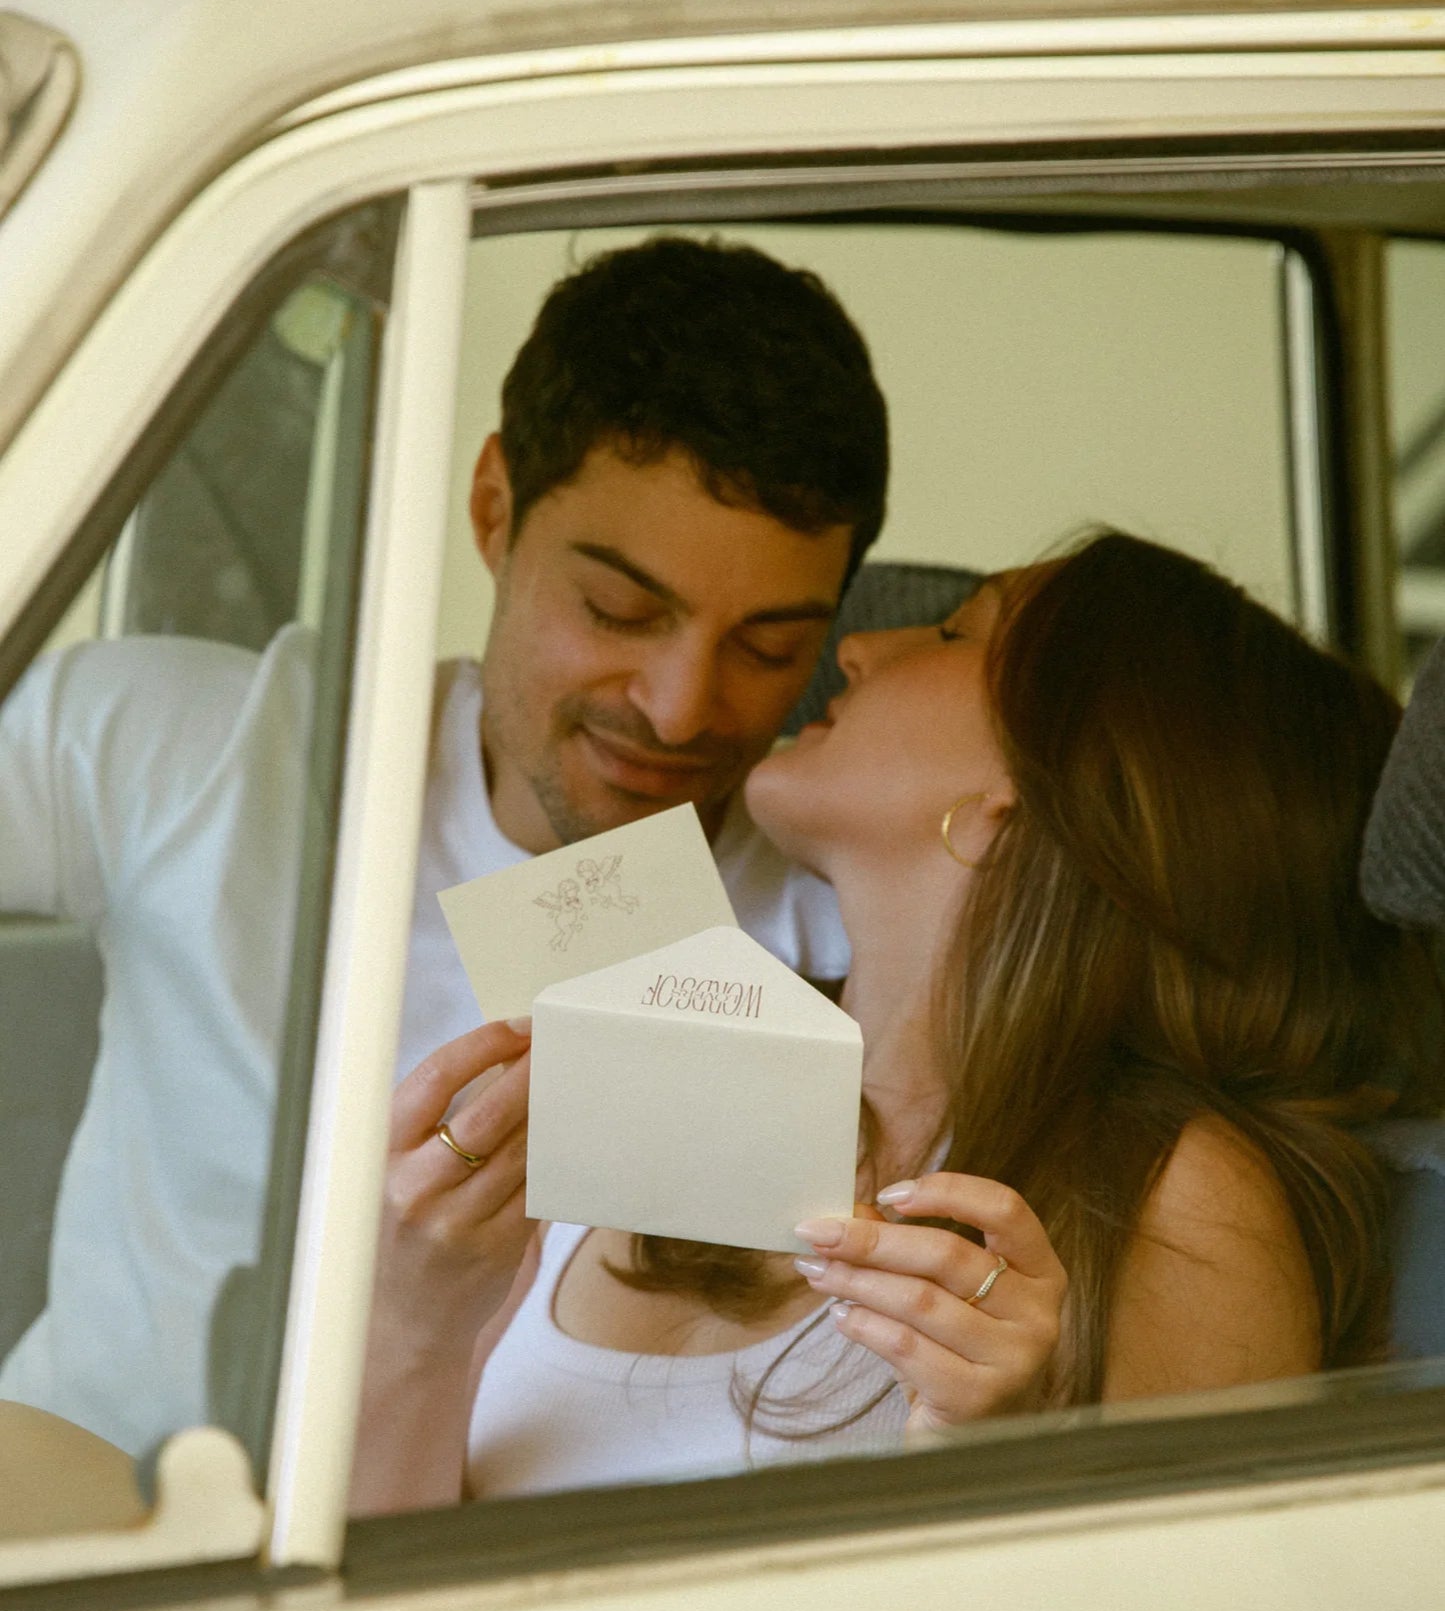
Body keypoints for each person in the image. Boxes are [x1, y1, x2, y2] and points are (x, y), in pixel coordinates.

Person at [0, 235, 889, 1457]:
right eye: (618, 611)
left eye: (768, 646)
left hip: (483, 1550)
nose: (682, 707)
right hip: (87, 1497)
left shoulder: (847, 934)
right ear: (492, 509)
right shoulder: (204, 746)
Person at [353, 531, 1445, 1513]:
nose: (861, 646)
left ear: (1015, 800)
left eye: (956, 631)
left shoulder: (1166, 1194)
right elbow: (385, 1593)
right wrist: (415, 1322)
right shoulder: (657, 1066)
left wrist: (985, 1456)